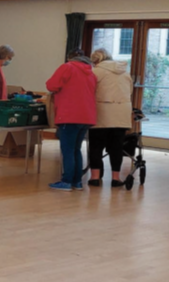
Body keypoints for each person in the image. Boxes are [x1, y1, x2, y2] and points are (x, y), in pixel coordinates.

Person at [46, 49, 97, 192]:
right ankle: (78, 182)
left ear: (70, 58)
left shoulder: (67, 67)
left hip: (69, 114)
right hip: (87, 116)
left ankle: (67, 181)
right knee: (76, 149)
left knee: (67, 150)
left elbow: (51, 85)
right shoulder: (91, 73)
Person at [88, 48, 133, 188]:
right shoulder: (125, 72)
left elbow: (89, 91)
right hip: (121, 114)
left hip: (101, 112)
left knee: (96, 146)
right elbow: (129, 91)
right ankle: (115, 178)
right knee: (116, 148)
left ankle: (95, 177)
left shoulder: (95, 72)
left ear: (96, 60)